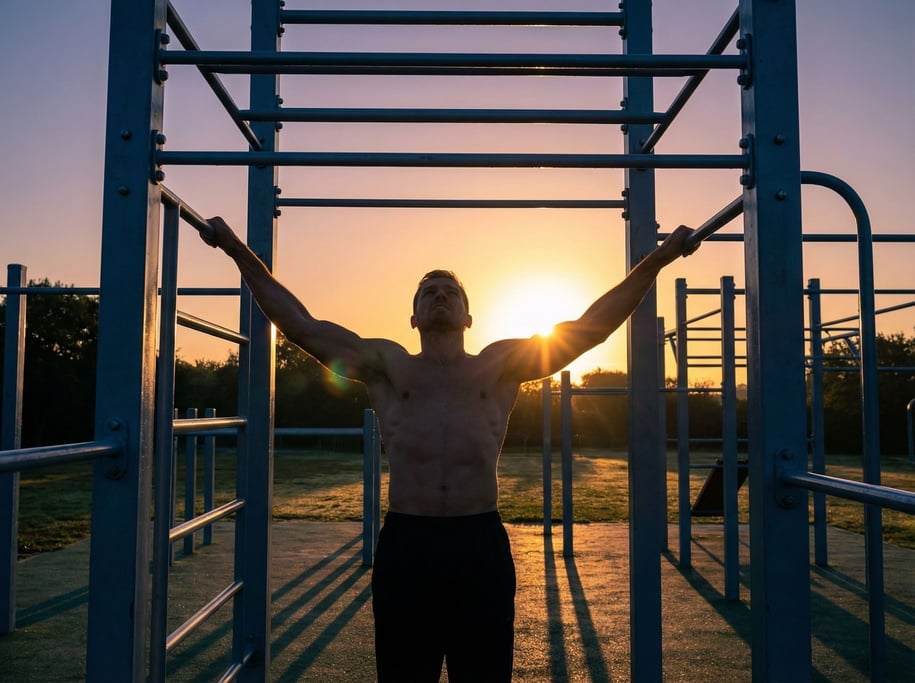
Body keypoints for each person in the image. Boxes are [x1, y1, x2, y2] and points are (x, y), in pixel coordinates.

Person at [201, 217, 697, 682]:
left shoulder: (499, 364)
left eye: (450, 291)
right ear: (413, 316)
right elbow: (301, 325)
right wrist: (235, 249)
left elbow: (592, 327)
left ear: (468, 315)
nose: (440, 296)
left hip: (478, 542)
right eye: (428, 292)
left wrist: (657, 259)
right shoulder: (388, 366)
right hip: (407, 545)